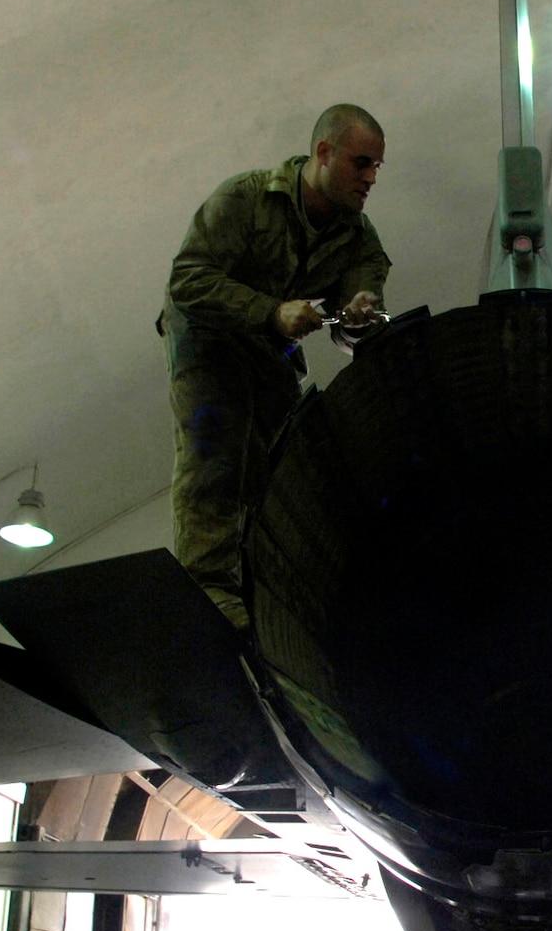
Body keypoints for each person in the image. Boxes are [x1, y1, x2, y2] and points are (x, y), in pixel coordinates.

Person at [162, 103, 392, 631]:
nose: (370, 178)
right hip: (206, 332)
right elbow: (187, 281)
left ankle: (253, 591)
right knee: (216, 448)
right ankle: (206, 588)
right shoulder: (245, 199)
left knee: (281, 463)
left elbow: (360, 320)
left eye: (378, 167)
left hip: (269, 343)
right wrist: (270, 311)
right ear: (324, 153)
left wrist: (358, 316)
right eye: (361, 163)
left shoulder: (359, 238)